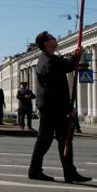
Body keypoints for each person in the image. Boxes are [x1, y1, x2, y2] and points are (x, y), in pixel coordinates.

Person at [28, 31, 91, 183]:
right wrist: (69, 108)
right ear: (46, 43)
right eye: (51, 37)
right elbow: (55, 90)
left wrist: (76, 55)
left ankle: (69, 173)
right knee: (46, 140)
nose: (55, 38)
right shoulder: (47, 62)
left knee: (64, 140)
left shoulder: (50, 59)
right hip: (51, 108)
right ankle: (35, 171)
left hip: (53, 108)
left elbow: (66, 66)